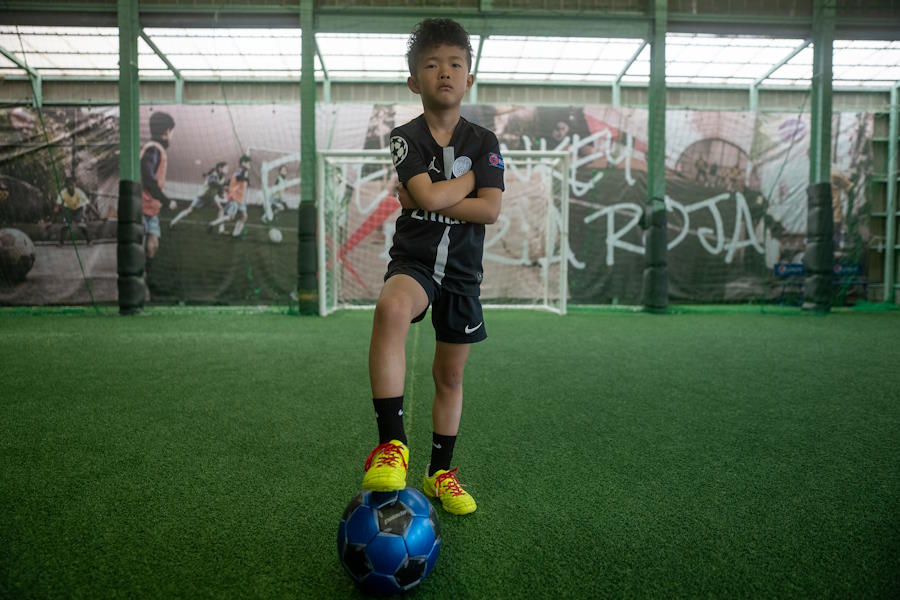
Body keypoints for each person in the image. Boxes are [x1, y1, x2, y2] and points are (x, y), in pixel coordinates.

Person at [361, 18, 504, 516]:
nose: (444, 71)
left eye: (455, 64)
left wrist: (440, 192)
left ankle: (440, 471)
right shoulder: (406, 137)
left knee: (450, 377)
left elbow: (491, 210)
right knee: (391, 309)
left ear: (469, 78)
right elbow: (424, 195)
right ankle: (392, 445)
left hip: (464, 277)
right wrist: (469, 183)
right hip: (415, 263)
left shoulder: (485, 139)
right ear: (413, 81)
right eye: (431, 64)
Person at [140, 111, 175, 275]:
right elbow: (148, 178)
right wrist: (167, 200)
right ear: (167, 131)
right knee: (141, 246)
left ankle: (146, 274)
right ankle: (142, 275)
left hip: (151, 209)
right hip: (141, 208)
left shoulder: (156, 149)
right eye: (172, 132)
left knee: (153, 244)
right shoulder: (153, 149)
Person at [170, 161, 228, 228]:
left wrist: (221, 193)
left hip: (211, 197)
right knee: (189, 210)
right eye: (226, 168)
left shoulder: (223, 178)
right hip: (202, 196)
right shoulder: (213, 174)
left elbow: (217, 189)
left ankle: (219, 229)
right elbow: (212, 182)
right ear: (220, 168)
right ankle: (173, 222)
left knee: (221, 209)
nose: (227, 170)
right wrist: (222, 187)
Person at [209, 154, 251, 237]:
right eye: (248, 163)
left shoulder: (244, 172)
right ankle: (212, 224)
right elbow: (238, 178)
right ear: (243, 163)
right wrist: (245, 178)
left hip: (241, 198)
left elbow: (236, 182)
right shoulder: (240, 171)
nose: (249, 165)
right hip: (234, 197)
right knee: (231, 217)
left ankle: (236, 234)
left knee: (244, 216)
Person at [54, 175, 100, 245]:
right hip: (68, 209)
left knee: (81, 225)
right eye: (69, 184)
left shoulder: (79, 192)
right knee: (66, 225)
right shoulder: (63, 193)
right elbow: (57, 206)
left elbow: (89, 205)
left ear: (75, 185)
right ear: (66, 185)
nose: (70, 186)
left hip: (78, 209)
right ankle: (61, 242)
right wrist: (54, 217)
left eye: (72, 184)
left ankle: (89, 241)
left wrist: (97, 215)